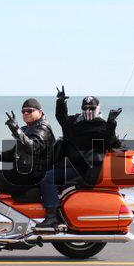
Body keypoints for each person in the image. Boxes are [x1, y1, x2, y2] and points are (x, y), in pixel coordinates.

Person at [36, 86, 121, 228]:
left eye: (91, 108)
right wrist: (61, 101)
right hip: (72, 164)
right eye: (85, 108)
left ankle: (52, 217)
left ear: (98, 108)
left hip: (87, 169)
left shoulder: (103, 126)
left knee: (48, 177)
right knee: (43, 171)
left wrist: (111, 122)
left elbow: (111, 142)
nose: (88, 111)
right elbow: (62, 119)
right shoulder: (76, 122)